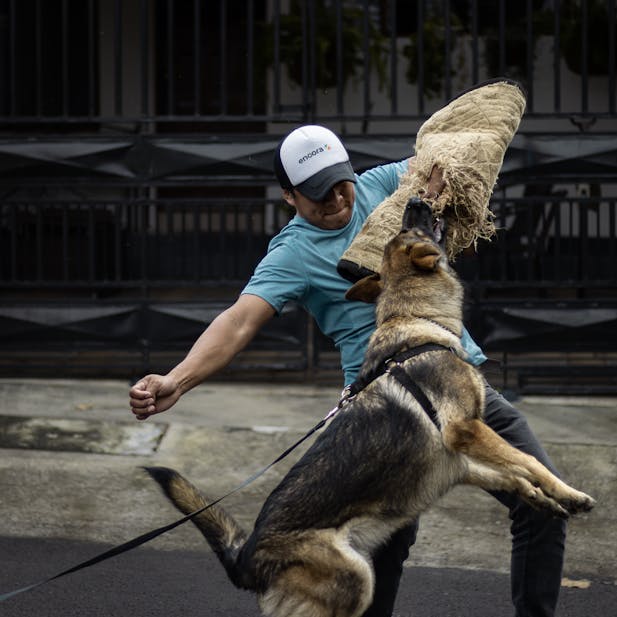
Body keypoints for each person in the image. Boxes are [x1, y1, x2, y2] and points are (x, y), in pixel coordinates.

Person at [129, 124, 567, 617]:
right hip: (383, 407)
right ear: (290, 197)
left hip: (455, 380)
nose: (337, 197)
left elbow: (440, 162)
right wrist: (177, 380)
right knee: (386, 542)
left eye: (341, 182)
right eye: (319, 192)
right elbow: (237, 322)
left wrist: (452, 172)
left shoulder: (381, 184)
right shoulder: (293, 252)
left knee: (544, 500)